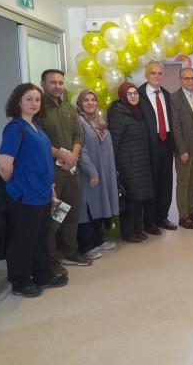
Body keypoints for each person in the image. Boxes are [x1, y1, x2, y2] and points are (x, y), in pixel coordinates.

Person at [0, 83, 68, 298]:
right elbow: (4, 165)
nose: (34, 103)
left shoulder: (35, 126)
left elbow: (41, 158)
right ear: (18, 102)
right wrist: (18, 185)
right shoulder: (15, 128)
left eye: (37, 99)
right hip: (24, 195)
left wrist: (49, 187)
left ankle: (42, 274)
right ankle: (20, 281)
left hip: (42, 194)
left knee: (40, 238)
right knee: (23, 239)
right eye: (29, 99)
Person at [37, 69, 90, 275]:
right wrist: (63, 156)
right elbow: (39, 142)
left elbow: (79, 136)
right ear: (43, 84)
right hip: (52, 175)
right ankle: (51, 260)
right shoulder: (38, 110)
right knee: (54, 218)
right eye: (53, 82)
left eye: (60, 82)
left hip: (72, 173)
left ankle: (71, 252)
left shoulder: (68, 108)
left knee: (72, 214)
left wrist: (73, 156)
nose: (58, 86)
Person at [107, 83, 155, 243]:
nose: (133, 96)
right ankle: (128, 233)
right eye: (129, 94)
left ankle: (137, 230)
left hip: (141, 164)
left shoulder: (137, 113)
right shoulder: (118, 115)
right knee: (130, 201)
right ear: (122, 96)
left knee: (139, 199)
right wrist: (114, 169)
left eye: (135, 93)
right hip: (127, 166)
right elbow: (113, 145)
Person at [75, 90, 118, 259]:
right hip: (88, 174)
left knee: (101, 203)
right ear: (80, 103)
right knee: (87, 208)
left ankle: (97, 239)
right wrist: (92, 171)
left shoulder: (100, 121)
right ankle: (86, 245)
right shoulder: (78, 122)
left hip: (105, 171)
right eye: (86, 100)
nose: (90, 103)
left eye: (93, 99)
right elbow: (81, 150)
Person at [138, 61, 177, 233]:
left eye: (159, 73)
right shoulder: (139, 95)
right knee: (151, 183)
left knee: (166, 182)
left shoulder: (166, 95)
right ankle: (149, 221)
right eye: (153, 73)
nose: (156, 76)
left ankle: (162, 217)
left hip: (166, 143)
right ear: (146, 75)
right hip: (148, 144)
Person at [170, 67, 193, 229]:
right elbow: (175, 126)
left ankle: (191, 211)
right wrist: (182, 150)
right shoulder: (175, 98)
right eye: (187, 78)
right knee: (183, 182)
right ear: (180, 80)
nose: (191, 81)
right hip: (185, 148)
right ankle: (183, 216)